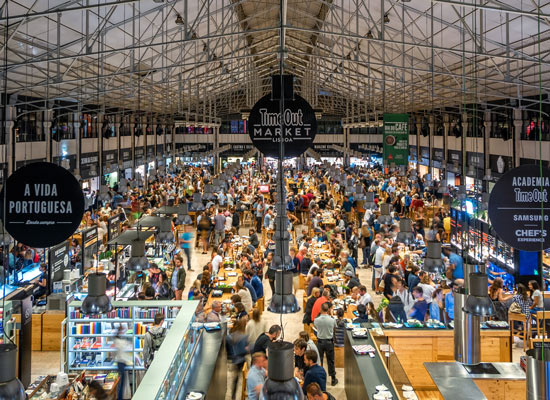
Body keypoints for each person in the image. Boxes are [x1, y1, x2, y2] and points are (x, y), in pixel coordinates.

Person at [314, 302, 338, 386]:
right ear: (328, 310)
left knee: (319, 360)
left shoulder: (317, 320)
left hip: (320, 342)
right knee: (330, 360)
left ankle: (319, 378)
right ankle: (333, 379)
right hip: (329, 342)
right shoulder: (332, 320)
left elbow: (316, 327)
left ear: (320, 309)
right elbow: (335, 327)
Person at [226, 319, 249, 400]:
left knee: (234, 378)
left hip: (232, 360)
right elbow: (245, 350)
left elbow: (227, 349)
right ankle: (240, 390)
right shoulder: (244, 337)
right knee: (238, 376)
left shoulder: (229, 337)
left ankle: (233, 394)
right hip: (241, 360)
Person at [114, 325, 132, 400]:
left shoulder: (117, 340)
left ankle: (120, 397)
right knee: (122, 383)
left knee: (121, 382)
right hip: (121, 363)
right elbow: (124, 352)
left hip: (120, 362)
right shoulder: (120, 342)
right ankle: (120, 398)